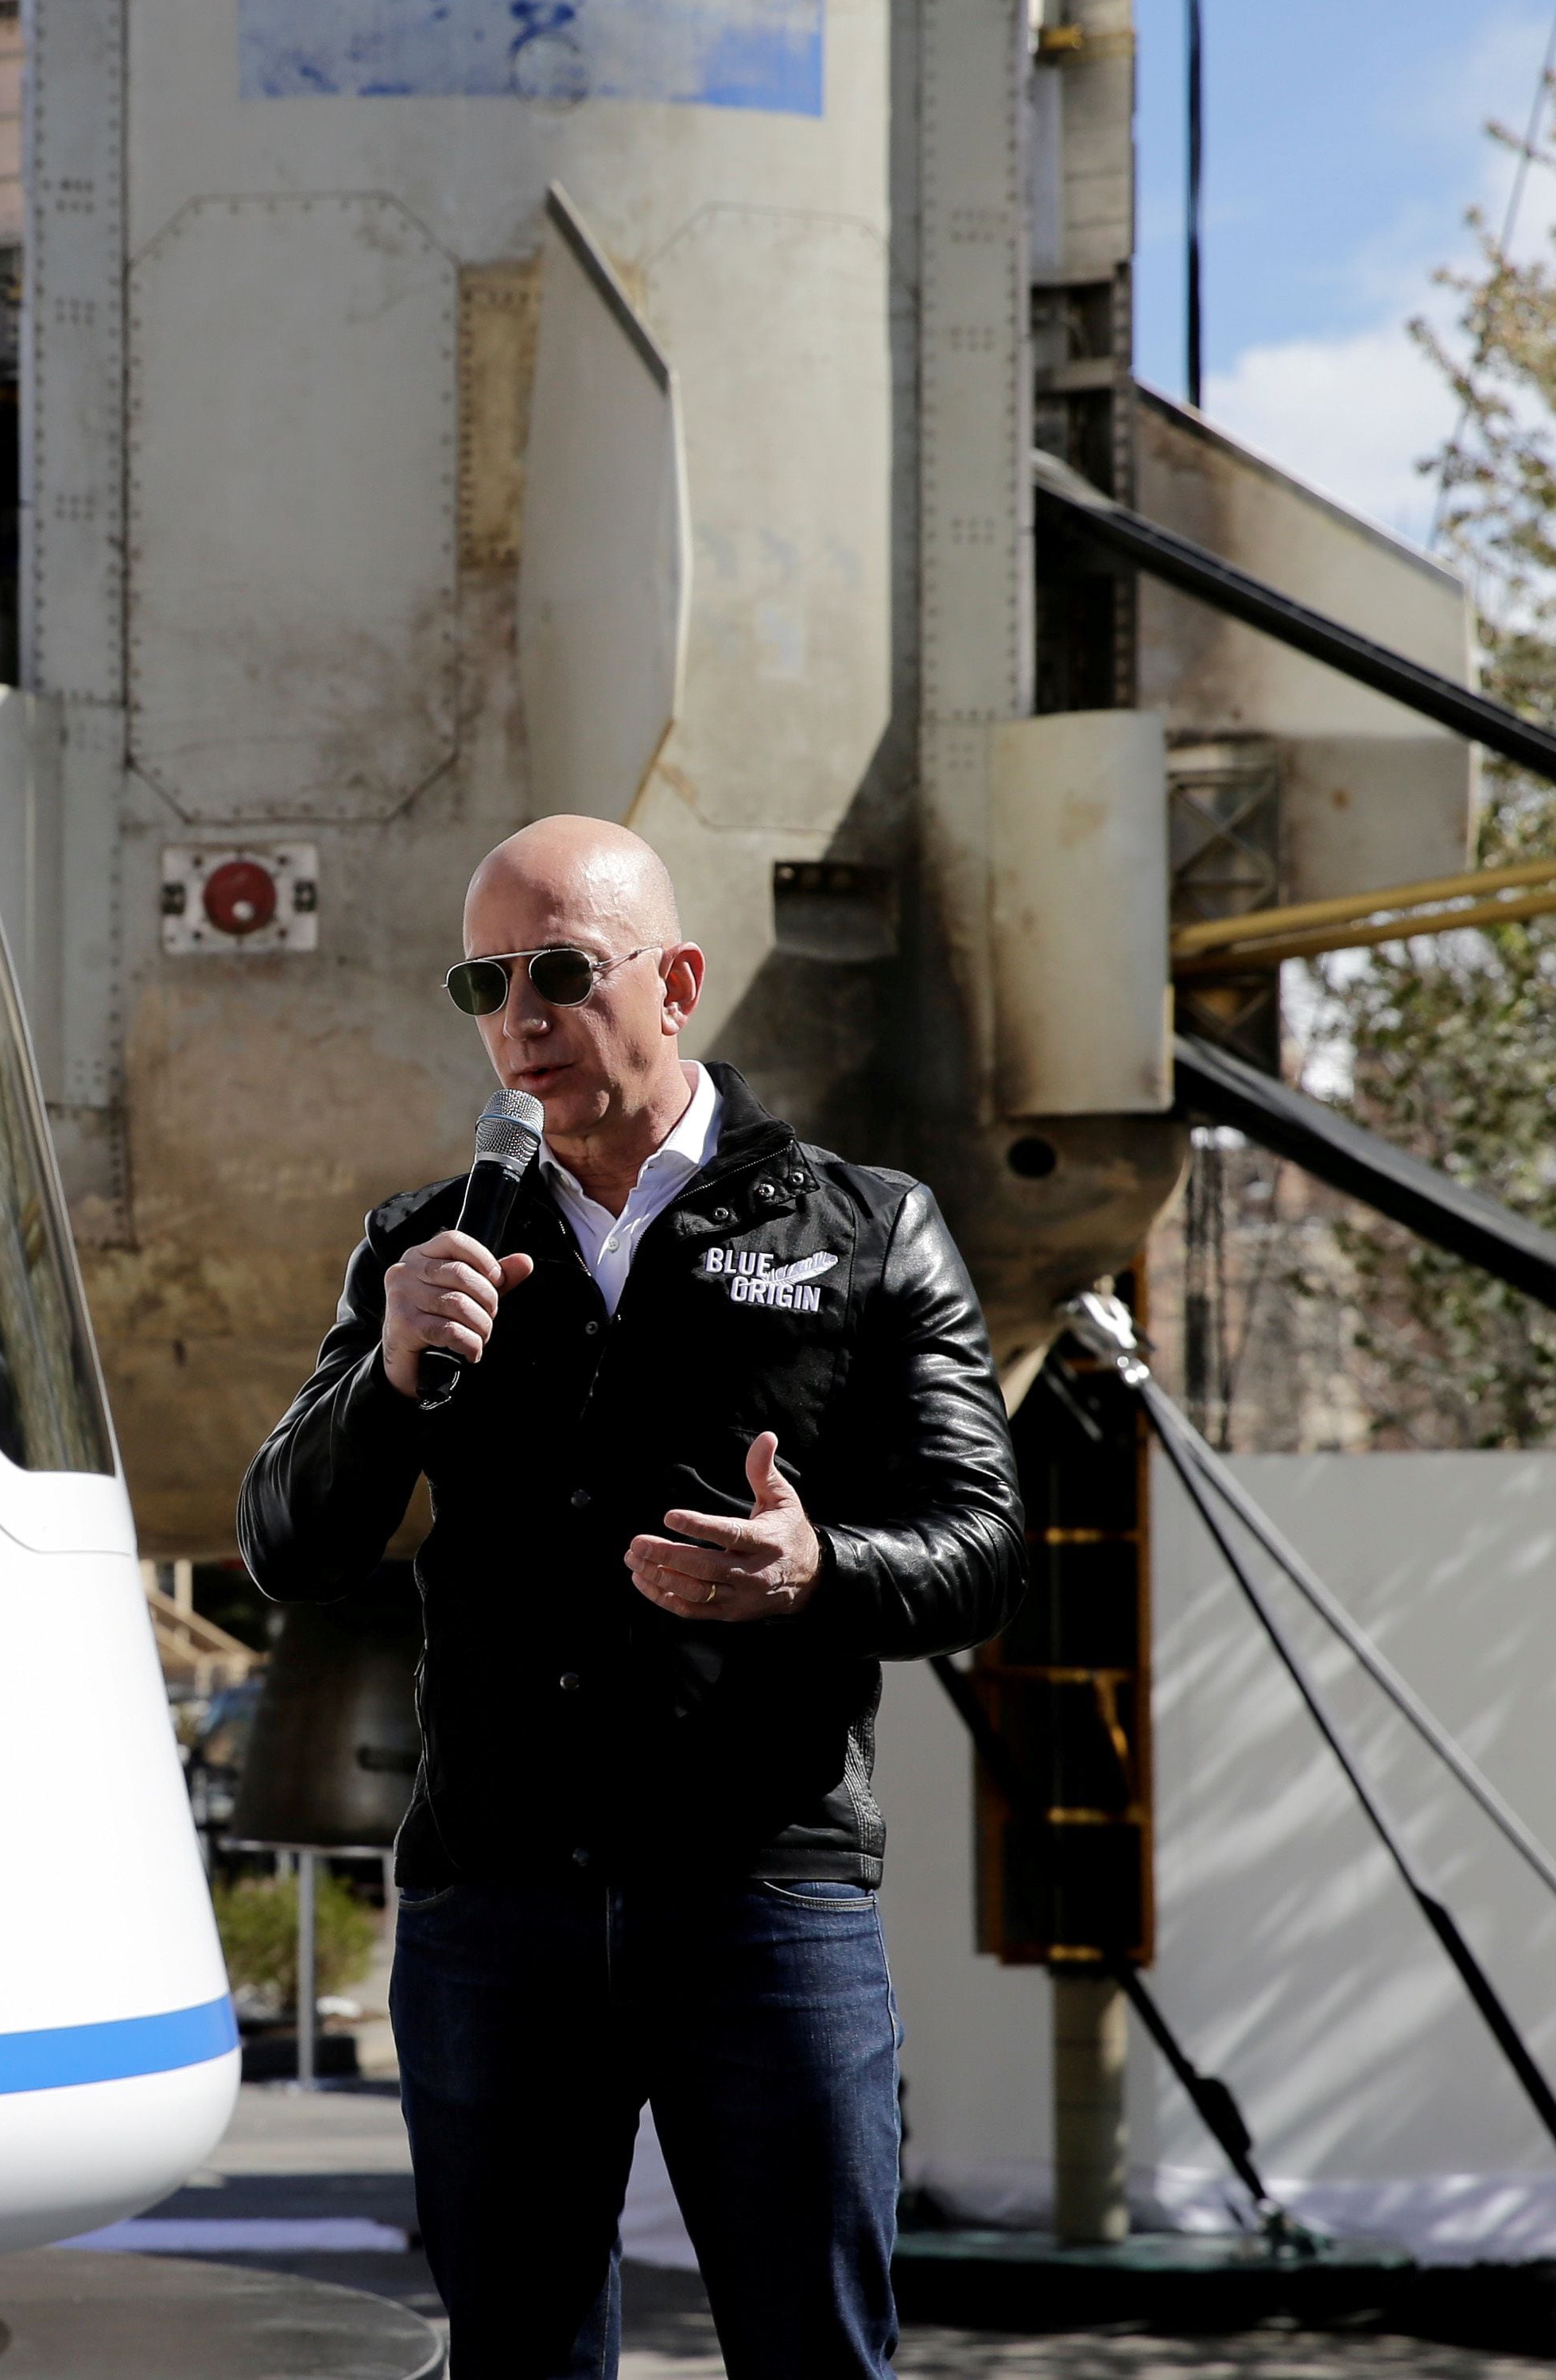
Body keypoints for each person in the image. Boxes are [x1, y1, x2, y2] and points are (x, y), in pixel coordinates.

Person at [239, 815, 1023, 2380]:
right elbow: (289, 1543)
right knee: (514, 2361)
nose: (519, 1014)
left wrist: (818, 1572)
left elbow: (981, 1542)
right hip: (493, 1901)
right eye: (485, 978)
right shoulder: (427, 1243)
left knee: (815, 2356)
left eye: (560, 971)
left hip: (762, 1894)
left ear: (676, 981)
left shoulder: (859, 1228)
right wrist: (387, 1383)